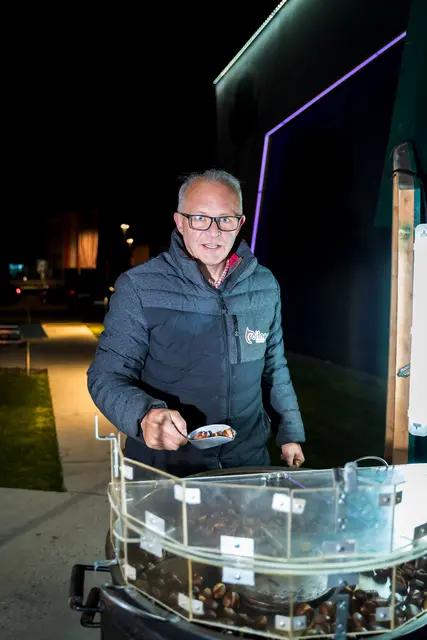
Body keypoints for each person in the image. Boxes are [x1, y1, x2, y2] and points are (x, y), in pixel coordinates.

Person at [87, 170, 305, 477]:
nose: (214, 232)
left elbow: (274, 367)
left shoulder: (265, 285)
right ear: (180, 222)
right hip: (167, 466)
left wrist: (289, 432)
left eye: (225, 219)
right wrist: (144, 415)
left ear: (240, 223)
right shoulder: (140, 286)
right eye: (200, 218)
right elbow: (106, 375)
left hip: (247, 462)